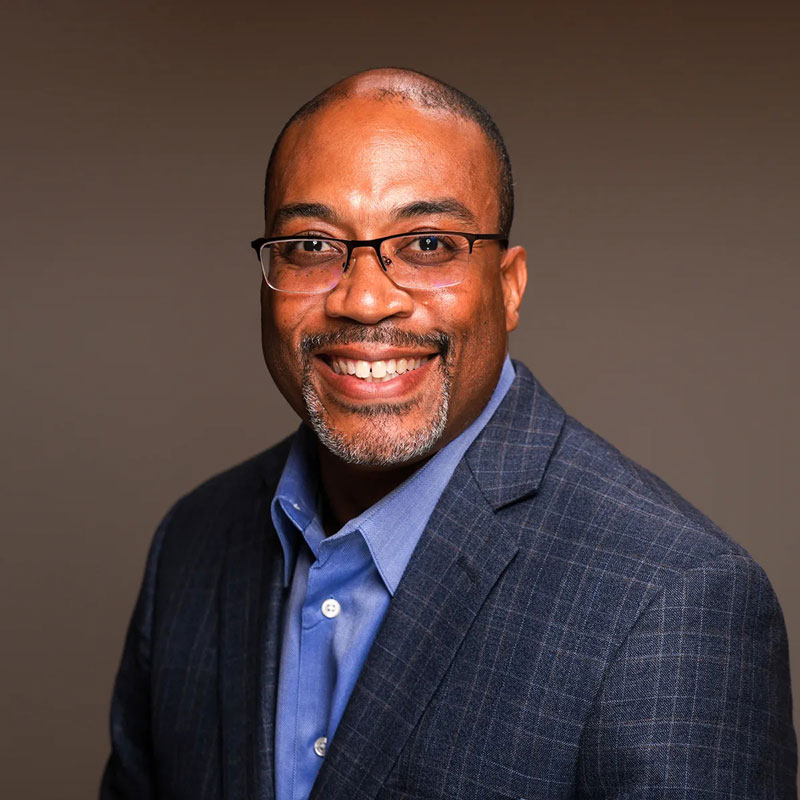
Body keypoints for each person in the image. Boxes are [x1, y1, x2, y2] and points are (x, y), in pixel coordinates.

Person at [101, 68, 797, 800]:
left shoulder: (674, 601)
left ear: (509, 285)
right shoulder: (193, 544)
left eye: (428, 243)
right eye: (311, 245)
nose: (364, 299)